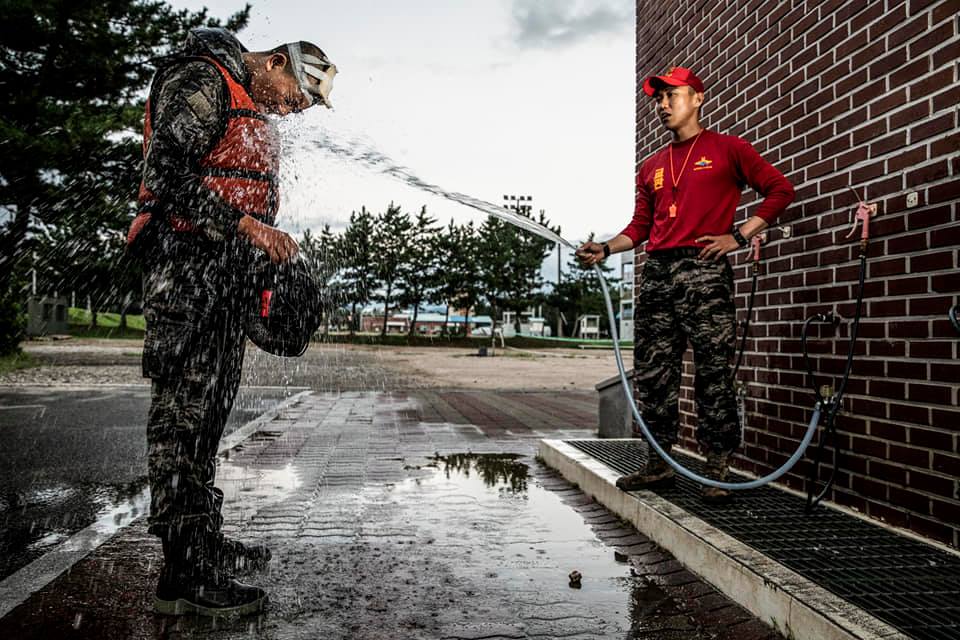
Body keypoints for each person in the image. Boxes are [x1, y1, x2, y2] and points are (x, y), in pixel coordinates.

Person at [125, 27, 336, 616]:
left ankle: (202, 539)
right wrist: (246, 228)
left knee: (211, 415)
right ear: (275, 63)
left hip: (224, 278)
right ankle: (181, 572)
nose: (293, 111)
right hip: (184, 274)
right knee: (182, 419)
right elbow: (167, 175)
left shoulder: (251, 101)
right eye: (296, 96)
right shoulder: (200, 79)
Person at [577, 66, 794, 503]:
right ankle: (658, 463)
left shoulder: (729, 149)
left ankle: (717, 469)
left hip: (704, 270)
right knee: (655, 374)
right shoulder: (652, 166)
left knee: (713, 372)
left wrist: (738, 236)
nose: (662, 105)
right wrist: (605, 248)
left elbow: (779, 190)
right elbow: (639, 227)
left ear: (696, 97)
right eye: (658, 100)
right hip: (657, 274)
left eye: (670, 96)